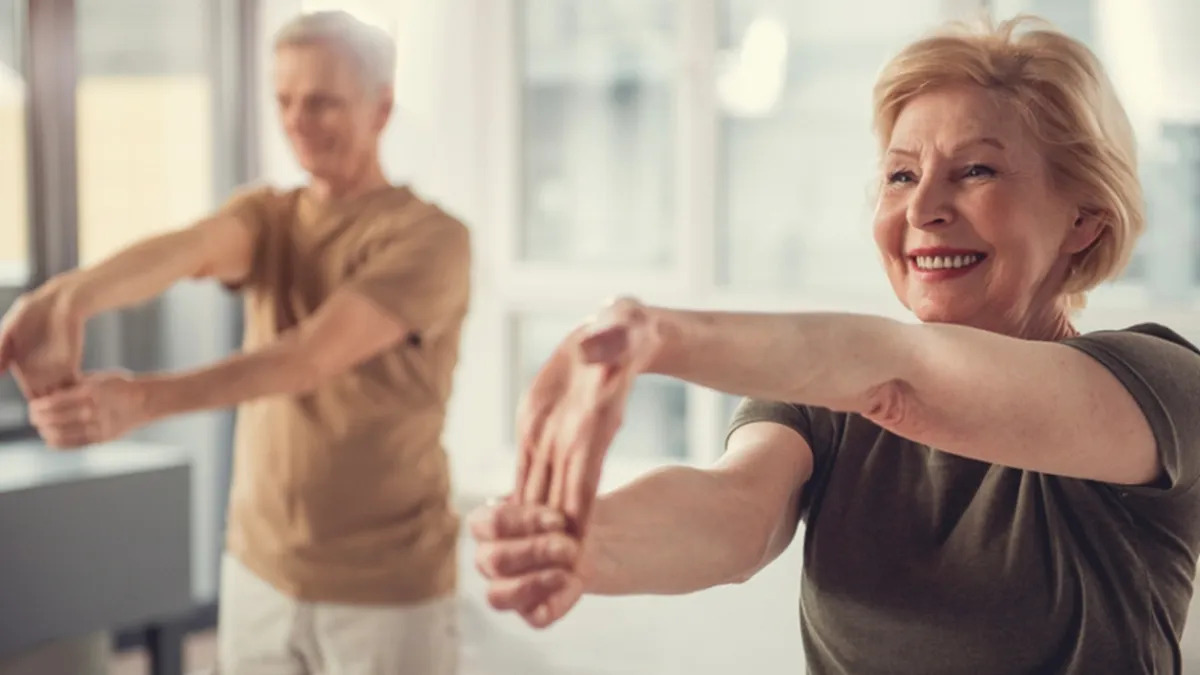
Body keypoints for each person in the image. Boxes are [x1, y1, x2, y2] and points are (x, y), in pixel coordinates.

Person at [470, 15, 1200, 674]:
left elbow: (903, 378)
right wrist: (587, 541)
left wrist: (655, 335)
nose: (922, 208)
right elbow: (734, 514)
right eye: (901, 175)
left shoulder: (1158, 386)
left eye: (976, 170)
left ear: (1084, 219)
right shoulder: (830, 392)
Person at [0, 10, 470, 675]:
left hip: (385, 587)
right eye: (284, 100)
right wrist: (71, 296)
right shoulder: (269, 215)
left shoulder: (431, 238)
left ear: (382, 107)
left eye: (322, 102)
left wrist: (140, 401)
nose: (297, 121)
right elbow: (188, 250)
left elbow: (308, 357)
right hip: (259, 568)